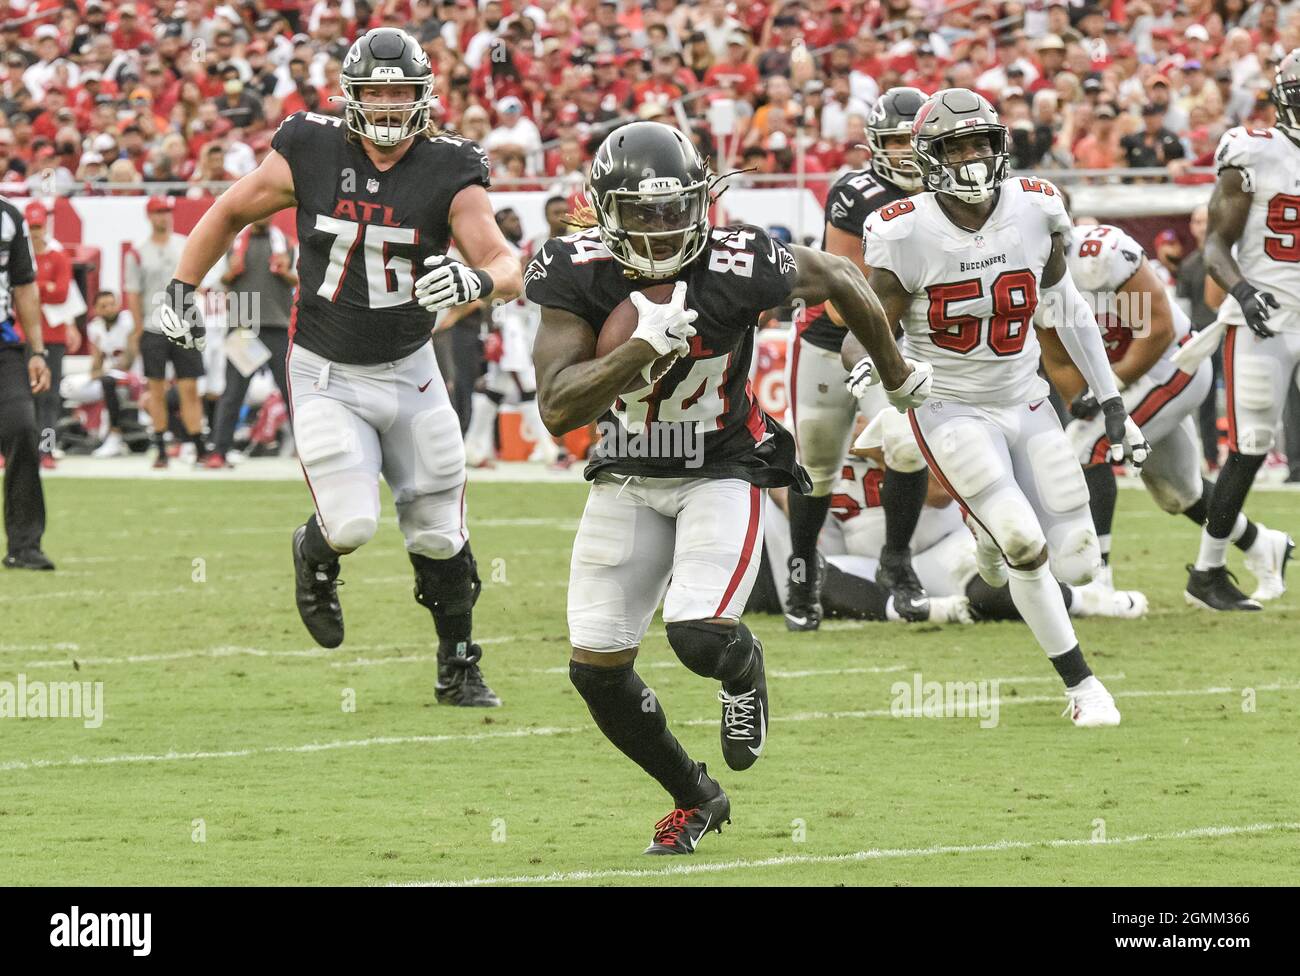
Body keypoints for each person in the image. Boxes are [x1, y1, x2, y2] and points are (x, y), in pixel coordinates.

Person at [528, 120, 929, 854]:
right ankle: (696, 797)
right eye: (643, 213)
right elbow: (558, 408)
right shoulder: (572, 267)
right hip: (626, 470)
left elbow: (842, 278)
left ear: (702, 201)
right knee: (596, 669)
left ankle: (743, 672)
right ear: (604, 211)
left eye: (676, 208)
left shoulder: (739, 259)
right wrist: (641, 349)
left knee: (698, 633)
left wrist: (896, 373)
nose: (662, 227)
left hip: (723, 463)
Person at [158, 28, 521, 706]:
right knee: (352, 522)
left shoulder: (449, 168)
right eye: (375, 91)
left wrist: (477, 283)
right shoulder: (312, 147)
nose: (387, 105)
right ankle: (315, 553)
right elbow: (231, 208)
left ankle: (458, 666)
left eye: (400, 91)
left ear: (424, 96)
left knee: (440, 528)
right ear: (350, 96)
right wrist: (182, 284)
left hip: (410, 366)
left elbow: (506, 261)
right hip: (325, 368)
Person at [855, 88, 1147, 727]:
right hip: (951, 405)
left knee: (1075, 556)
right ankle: (1082, 686)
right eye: (954, 146)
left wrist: (1115, 402)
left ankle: (983, 536)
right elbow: (872, 326)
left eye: (980, 143)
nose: (970, 158)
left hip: (1027, 397)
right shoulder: (904, 229)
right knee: (1024, 540)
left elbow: (1067, 307)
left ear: (1000, 147)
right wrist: (888, 374)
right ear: (929, 159)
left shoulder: (1036, 208)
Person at [1042, 221, 1291, 600]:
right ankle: (1261, 544)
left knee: (1083, 448)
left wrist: (1110, 390)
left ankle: (1097, 579)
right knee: (1180, 493)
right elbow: (1058, 359)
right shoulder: (1020, 274)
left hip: (1171, 365)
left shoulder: (1099, 257)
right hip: (1124, 382)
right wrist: (1083, 398)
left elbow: (1156, 329)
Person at [785, 87, 932, 632]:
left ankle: (897, 561)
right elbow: (845, 300)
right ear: (876, 145)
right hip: (833, 338)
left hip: (903, 337)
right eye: (896, 141)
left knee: (907, 444)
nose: (906, 152)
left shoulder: (951, 191)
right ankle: (801, 575)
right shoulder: (855, 192)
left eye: (914, 140)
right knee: (819, 466)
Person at [1181, 51, 1300, 610]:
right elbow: (1214, 246)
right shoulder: (1254, 151)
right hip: (1266, 319)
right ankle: (1207, 573)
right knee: (1250, 447)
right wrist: (1243, 291)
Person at [206, 216, 296, 468]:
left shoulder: (286, 244)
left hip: (278, 326)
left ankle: (309, 454)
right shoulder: (233, 245)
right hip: (244, 328)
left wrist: (287, 274)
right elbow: (215, 285)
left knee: (292, 394)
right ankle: (219, 452)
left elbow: (303, 283)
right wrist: (229, 274)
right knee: (233, 393)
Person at [127, 195, 207, 469]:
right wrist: (138, 329)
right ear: (150, 216)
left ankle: (198, 446)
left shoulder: (184, 244)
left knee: (190, 388)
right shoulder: (138, 252)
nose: (163, 216)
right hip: (153, 326)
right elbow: (133, 293)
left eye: (166, 211)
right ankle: (160, 448)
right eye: (158, 212)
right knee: (156, 389)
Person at [0, 194, 53, 569]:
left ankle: (24, 545)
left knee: (22, 427)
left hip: (3, 344)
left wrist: (37, 351)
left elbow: (23, 284)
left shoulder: (9, 216)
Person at [25, 201, 76, 470]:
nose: (35, 232)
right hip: (23, 334)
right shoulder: (18, 256)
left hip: (52, 336)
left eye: (38, 226)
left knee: (49, 396)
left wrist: (34, 288)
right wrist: (47, 287)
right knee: (19, 396)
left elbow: (63, 292)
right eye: (31, 227)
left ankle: (47, 448)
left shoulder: (57, 257)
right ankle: (18, 449)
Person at [1174, 204, 1223, 468]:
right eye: (1197, 221)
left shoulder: (1230, 257)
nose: (1202, 226)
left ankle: (1254, 453)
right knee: (1204, 400)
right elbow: (1182, 308)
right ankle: (1211, 457)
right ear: (1191, 227)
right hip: (1202, 336)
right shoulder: (1189, 264)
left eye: (1206, 220)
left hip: (1230, 332)